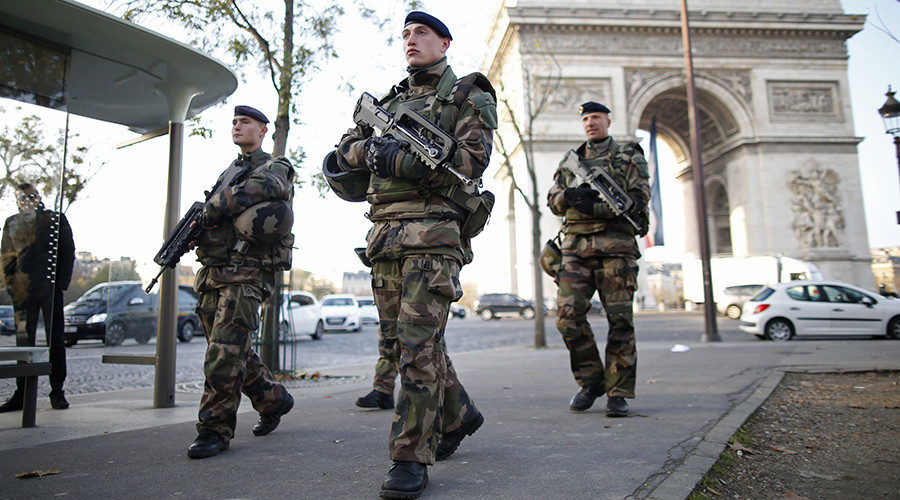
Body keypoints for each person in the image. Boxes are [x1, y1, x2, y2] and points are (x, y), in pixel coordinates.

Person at [327, 11, 497, 499]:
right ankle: (459, 413)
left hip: (435, 233)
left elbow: (469, 162)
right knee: (408, 344)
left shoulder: (468, 95)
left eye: (421, 33)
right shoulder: (388, 102)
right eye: (404, 34)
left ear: (445, 42)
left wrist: (393, 158)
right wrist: (374, 154)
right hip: (384, 235)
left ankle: (409, 457)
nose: (411, 40)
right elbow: (346, 156)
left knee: (417, 348)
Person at [187, 105, 296, 459]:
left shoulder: (275, 166)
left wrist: (216, 205)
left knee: (223, 354)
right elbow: (215, 215)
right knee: (232, 350)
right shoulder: (229, 171)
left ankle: (214, 429)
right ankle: (273, 399)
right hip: (214, 273)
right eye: (234, 121)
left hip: (247, 273)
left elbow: (266, 188)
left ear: (263, 130)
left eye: (245, 121)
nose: (237, 126)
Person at [546, 101, 651, 418]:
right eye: (586, 119)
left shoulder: (630, 156)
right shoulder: (571, 161)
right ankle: (592, 382)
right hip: (575, 250)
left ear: (608, 120)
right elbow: (553, 200)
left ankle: (618, 393)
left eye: (596, 117)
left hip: (616, 250)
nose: (591, 123)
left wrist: (595, 207)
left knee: (620, 322)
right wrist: (570, 198)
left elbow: (638, 198)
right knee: (567, 318)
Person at [0, 183, 75, 412]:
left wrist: (60, 284)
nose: (28, 201)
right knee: (23, 341)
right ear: (17, 202)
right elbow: (6, 256)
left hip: (49, 287)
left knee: (55, 340)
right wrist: (12, 286)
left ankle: (57, 390)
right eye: (23, 198)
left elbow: (67, 251)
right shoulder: (11, 222)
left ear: (39, 196)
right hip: (23, 291)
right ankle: (21, 392)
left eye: (32, 196)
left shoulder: (55, 219)